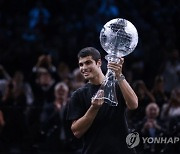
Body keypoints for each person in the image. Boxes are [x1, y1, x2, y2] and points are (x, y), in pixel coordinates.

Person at [67, 47, 138, 154]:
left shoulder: (118, 86)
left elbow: (133, 105)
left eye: (88, 62)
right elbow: (77, 132)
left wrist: (119, 75)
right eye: (81, 64)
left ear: (99, 62)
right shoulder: (78, 95)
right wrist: (94, 108)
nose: (84, 68)